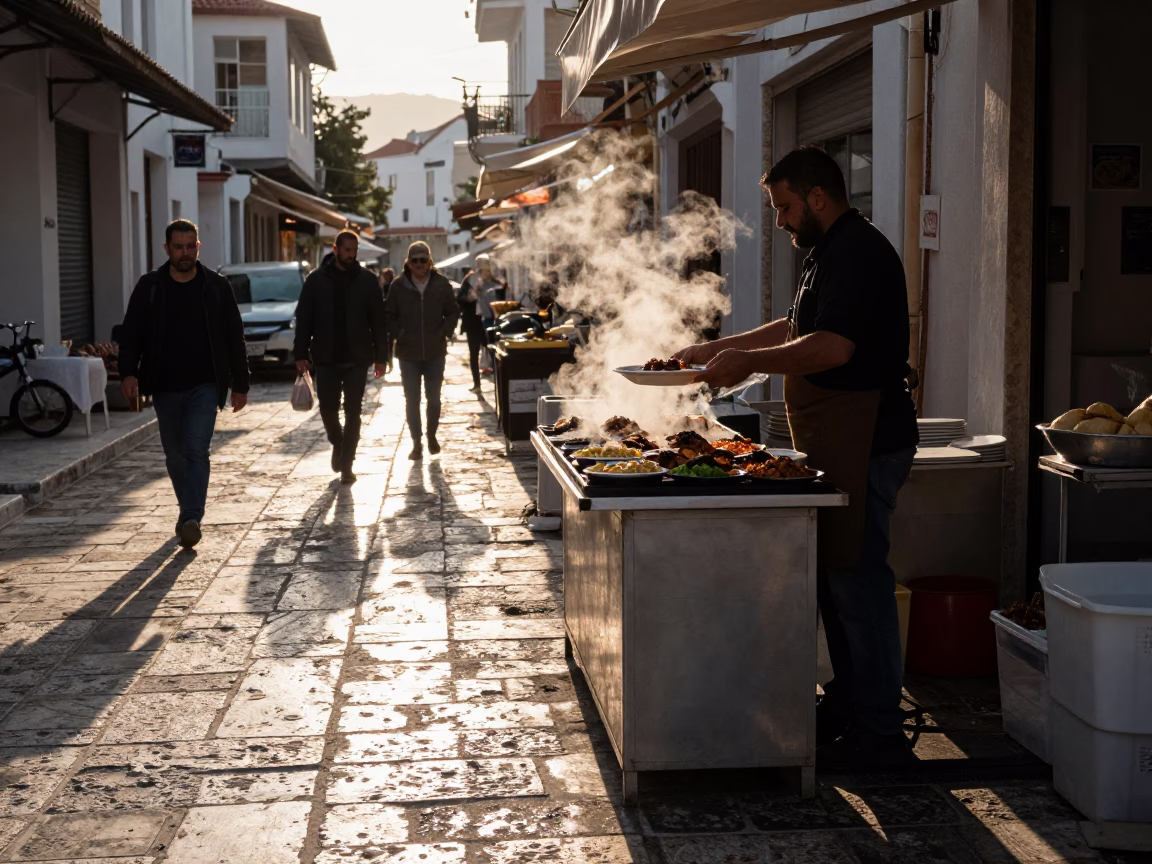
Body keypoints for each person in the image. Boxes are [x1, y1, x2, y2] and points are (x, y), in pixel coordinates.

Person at [675, 147, 918, 767]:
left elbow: (833, 348)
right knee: (836, 578)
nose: (780, 220)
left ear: (816, 197)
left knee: (859, 582)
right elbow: (793, 328)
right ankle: (849, 703)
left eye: (784, 207)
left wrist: (745, 364)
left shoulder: (860, 253)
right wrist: (717, 350)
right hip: (837, 438)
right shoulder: (826, 253)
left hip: (867, 438)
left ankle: (880, 733)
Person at [118, 218, 250, 550]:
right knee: (175, 455)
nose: (185, 253)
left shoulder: (216, 287)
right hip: (164, 386)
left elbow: (234, 337)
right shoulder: (150, 287)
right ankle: (187, 512)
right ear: (167, 249)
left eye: (191, 246)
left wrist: (241, 384)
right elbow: (131, 333)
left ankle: (191, 518)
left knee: (196, 449)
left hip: (205, 385)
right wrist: (128, 372)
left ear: (198, 247)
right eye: (179, 247)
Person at [294, 230, 389, 485]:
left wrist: (382, 357)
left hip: (357, 357)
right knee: (327, 410)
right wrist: (300, 353)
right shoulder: (316, 280)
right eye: (346, 250)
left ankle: (347, 464)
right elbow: (304, 318)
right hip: (326, 357)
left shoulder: (367, 281)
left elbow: (378, 321)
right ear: (335, 249)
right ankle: (338, 442)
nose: (351, 255)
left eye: (354, 251)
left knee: (353, 411)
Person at [384, 241, 459, 460]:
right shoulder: (398, 286)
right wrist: (400, 334)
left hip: (435, 351)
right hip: (408, 353)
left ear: (430, 261)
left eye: (423, 260)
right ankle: (416, 443)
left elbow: (453, 311)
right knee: (412, 400)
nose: (419, 264)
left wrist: (444, 331)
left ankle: (431, 436)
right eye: (415, 260)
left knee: (434, 399)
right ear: (408, 263)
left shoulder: (442, 284)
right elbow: (388, 315)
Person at [472, 254, 505, 374]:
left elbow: (503, 293)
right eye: (482, 271)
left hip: (498, 318)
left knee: (498, 345)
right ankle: (494, 367)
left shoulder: (496, 282)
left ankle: (498, 368)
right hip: (487, 319)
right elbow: (474, 297)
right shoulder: (479, 284)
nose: (484, 273)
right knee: (489, 345)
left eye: (486, 270)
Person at [456, 268, 485, 393]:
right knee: (474, 355)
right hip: (473, 323)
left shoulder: (490, 281)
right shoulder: (469, 280)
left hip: (488, 322)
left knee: (493, 353)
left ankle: (499, 381)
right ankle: (477, 384)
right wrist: (469, 298)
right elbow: (459, 299)